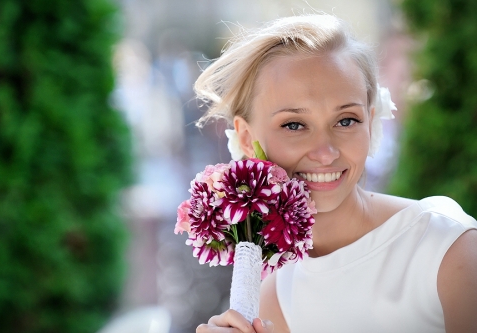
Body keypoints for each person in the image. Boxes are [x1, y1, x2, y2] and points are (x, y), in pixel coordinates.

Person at [193, 13, 477, 333]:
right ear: (246, 138)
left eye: (346, 121)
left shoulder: (448, 250)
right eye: (294, 125)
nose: (325, 152)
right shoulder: (273, 299)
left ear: (370, 123)